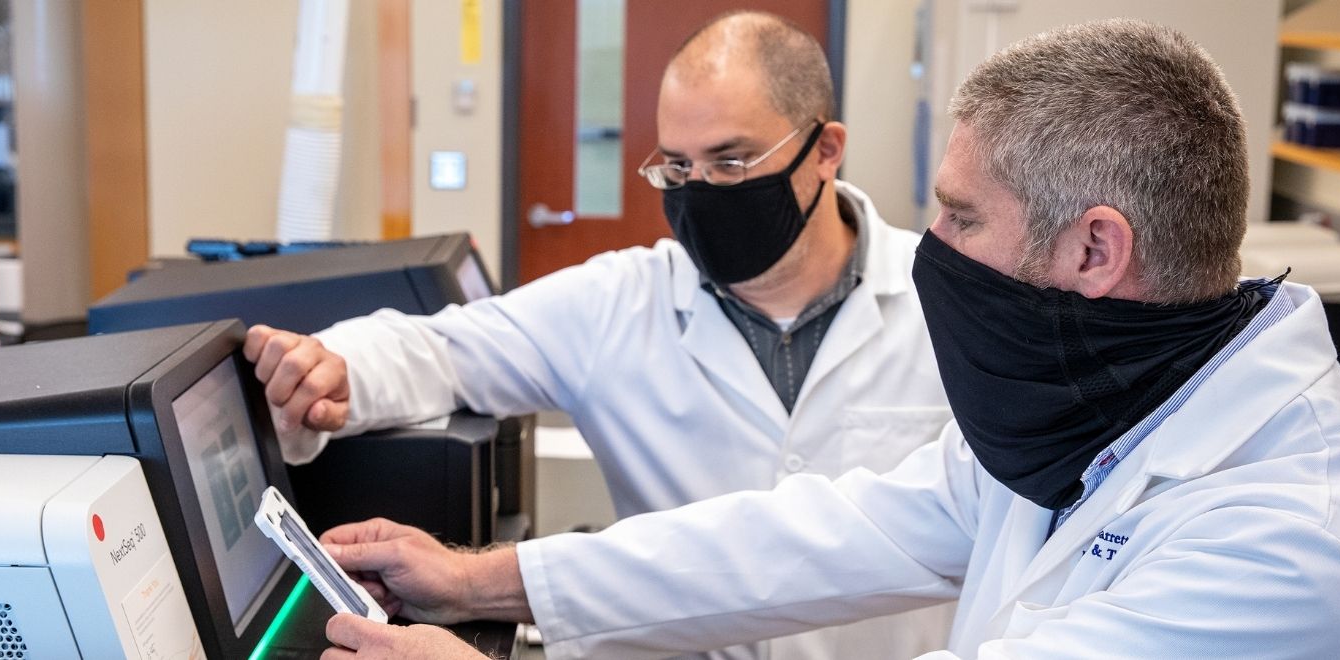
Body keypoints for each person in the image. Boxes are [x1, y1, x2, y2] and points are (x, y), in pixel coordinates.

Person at [308, 19, 1340, 660]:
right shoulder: (1103, 409)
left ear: (1094, 253)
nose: (935, 245)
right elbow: (819, 535)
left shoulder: (1292, 546)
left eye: (961, 217)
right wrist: (482, 581)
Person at [243, 10, 955, 660]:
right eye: (677, 166)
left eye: (730, 162)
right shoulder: (620, 300)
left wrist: (474, 580)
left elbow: (853, 544)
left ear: (826, 150)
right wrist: (333, 370)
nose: (699, 190)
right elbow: (443, 349)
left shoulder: (952, 310)